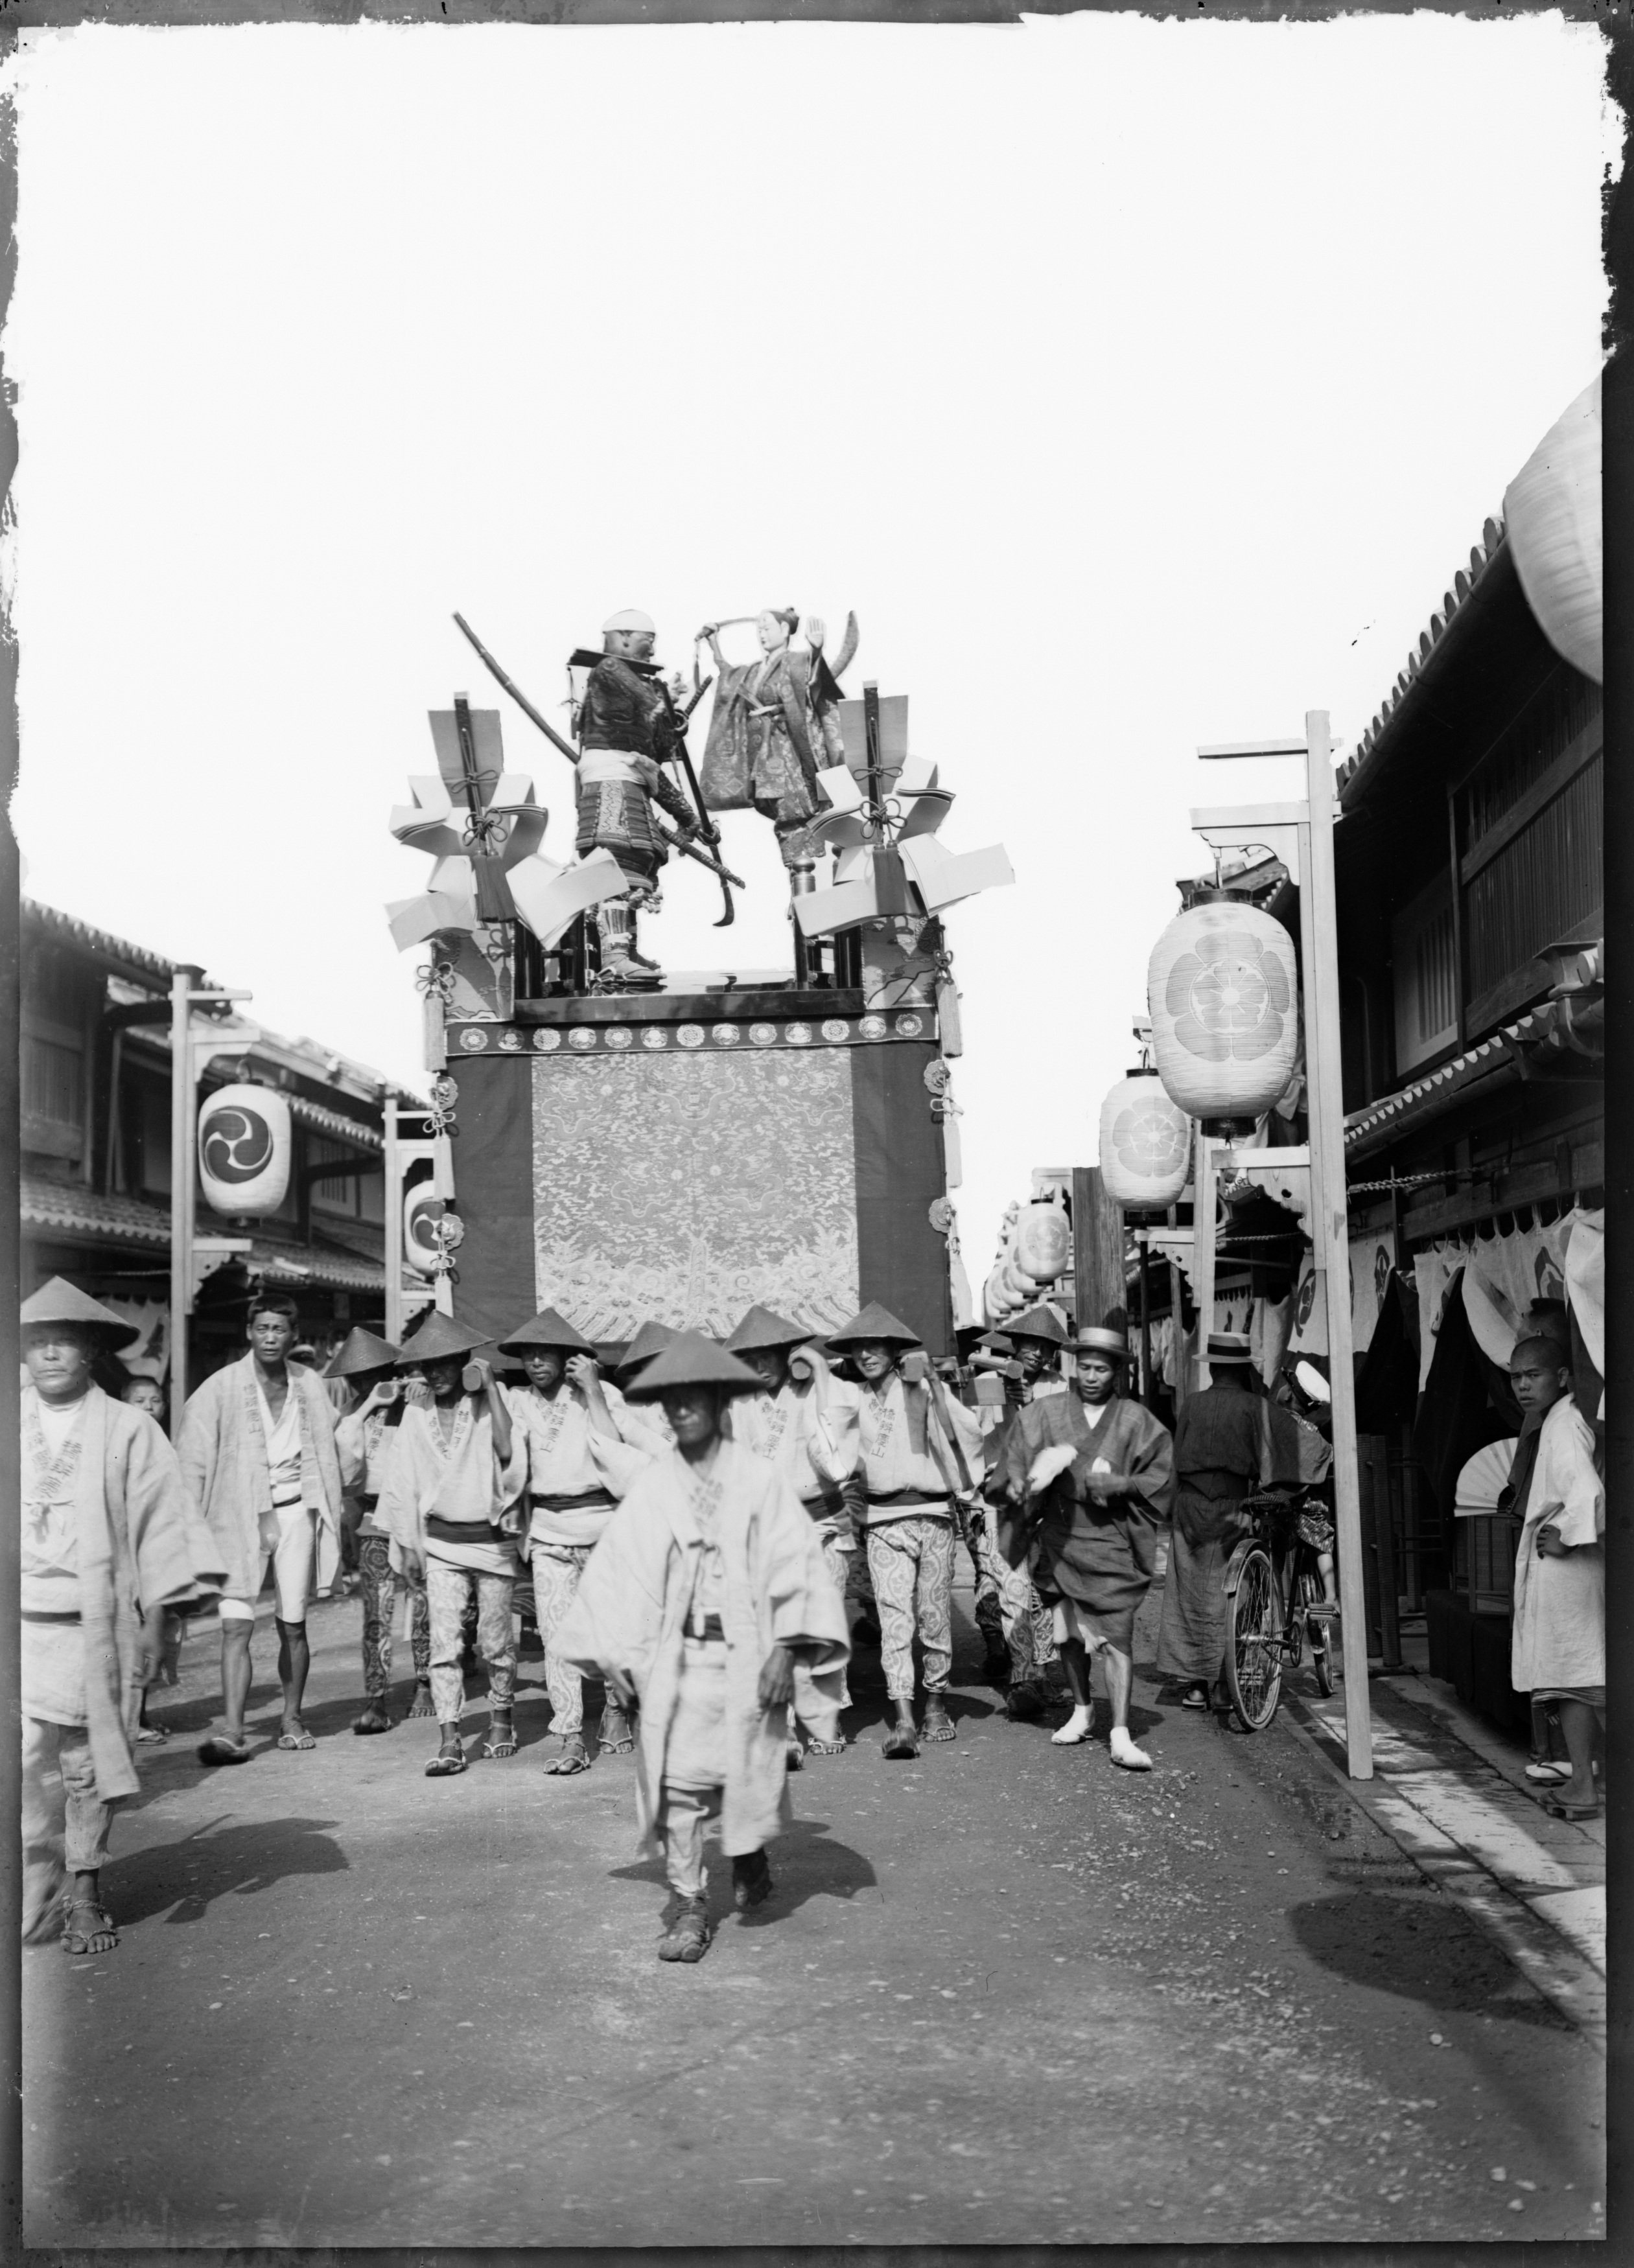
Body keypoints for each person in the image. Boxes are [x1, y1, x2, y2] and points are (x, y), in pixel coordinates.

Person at [554, 1333, 850, 1964]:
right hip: (675, 1656)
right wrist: (616, 1654)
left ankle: (748, 1848)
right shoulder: (655, 1483)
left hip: (749, 1656)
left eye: (694, 1398)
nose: (680, 1409)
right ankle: (689, 1903)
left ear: (720, 1403)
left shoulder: (759, 1481)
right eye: (671, 1400)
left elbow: (796, 1565)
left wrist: (786, 1650)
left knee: (743, 1776)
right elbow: (622, 1568)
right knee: (679, 1784)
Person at [21, 1280, 225, 1952]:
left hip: (92, 1623)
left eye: (65, 1341)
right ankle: (34, 1878)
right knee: (16, 1762)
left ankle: (84, 1890)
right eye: (38, 1341)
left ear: (91, 1351)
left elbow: (162, 1525)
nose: (50, 1353)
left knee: (84, 1764)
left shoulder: (127, 1429)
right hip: (15, 1626)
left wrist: (158, 1620)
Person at [992, 1325, 1174, 1768]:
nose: (1092, 1377)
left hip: (1112, 1538)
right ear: (1075, 1368)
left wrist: (1123, 1484)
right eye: (1086, 1368)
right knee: (1068, 1635)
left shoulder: (1135, 1419)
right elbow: (1015, 1455)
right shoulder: (1048, 1411)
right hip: (1060, 1535)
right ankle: (1082, 1710)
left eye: (1102, 1369)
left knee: (1116, 1636)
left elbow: (1162, 1473)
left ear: (1116, 1373)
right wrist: (1018, 1483)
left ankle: (1121, 1732)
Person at [180, 1292, 347, 1765]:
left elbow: (336, 1448)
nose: (270, 1337)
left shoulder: (309, 1384)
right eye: (262, 1329)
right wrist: (189, 1527)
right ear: (249, 1333)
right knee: (236, 1626)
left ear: (293, 1335)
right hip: (238, 1515)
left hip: (295, 1512)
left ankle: (292, 1718)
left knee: (292, 1624)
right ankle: (233, 1731)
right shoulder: (220, 1387)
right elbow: (192, 1458)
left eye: (279, 1329)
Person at [498, 1308, 660, 1777]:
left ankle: (615, 1708)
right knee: (556, 1638)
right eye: (528, 1355)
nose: (536, 1363)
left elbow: (615, 1450)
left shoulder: (600, 1393)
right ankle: (569, 1734)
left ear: (568, 1356)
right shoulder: (518, 1401)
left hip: (604, 1528)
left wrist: (592, 1389)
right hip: (549, 1529)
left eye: (545, 1354)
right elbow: (506, 1452)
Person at [827, 1301, 984, 1759]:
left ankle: (935, 1703)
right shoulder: (852, 1399)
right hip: (882, 1521)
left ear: (895, 1350)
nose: (866, 1355)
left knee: (934, 1616)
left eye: (876, 1347)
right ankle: (903, 1719)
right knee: (894, 1620)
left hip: (933, 1516)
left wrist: (932, 1383)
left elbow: (964, 1434)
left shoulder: (921, 1388)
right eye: (859, 1348)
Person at [377, 1312, 528, 1777]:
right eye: (428, 1365)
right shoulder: (416, 1413)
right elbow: (401, 1481)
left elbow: (509, 1451)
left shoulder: (490, 1402)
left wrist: (492, 1388)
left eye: (445, 1362)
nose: (436, 1373)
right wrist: (406, 1545)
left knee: (494, 1642)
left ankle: (501, 1718)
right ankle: (450, 1739)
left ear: (464, 1360)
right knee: (445, 1643)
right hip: (441, 1542)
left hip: (492, 1542)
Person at [725, 1304, 861, 1761]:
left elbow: (838, 1452)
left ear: (789, 1354)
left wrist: (819, 1369)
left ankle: (826, 1716)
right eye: (750, 1358)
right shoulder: (739, 1404)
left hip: (823, 1521)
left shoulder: (823, 1390)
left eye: (769, 1355)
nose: (759, 1365)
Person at [1154, 1331, 1307, 1712]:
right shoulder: (1256, 1406)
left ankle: (1196, 1687)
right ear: (1242, 1370)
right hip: (1232, 1504)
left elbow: (1176, 1458)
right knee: (1234, 1591)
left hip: (1190, 1506)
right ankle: (1225, 1684)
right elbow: (1293, 1447)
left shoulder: (1192, 1403)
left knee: (1189, 1592)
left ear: (1213, 1369)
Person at [1504, 1335, 1604, 1820]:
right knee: (1579, 1676)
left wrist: (1567, 1537)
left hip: (1570, 1568)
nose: (1523, 1386)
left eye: (1533, 1375)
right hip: (1573, 1565)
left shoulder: (1563, 1424)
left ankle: (1583, 1786)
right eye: (1515, 1377)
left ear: (1562, 1376)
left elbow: (1587, 1493)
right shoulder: (1560, 1418)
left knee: (1573, 1679)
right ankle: (1588, 1780)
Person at [572, 608, 699, 978]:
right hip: (610, 786)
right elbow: (641, 695)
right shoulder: (608, 670)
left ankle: (627, 951)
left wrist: (686, 815)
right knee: (616, 860)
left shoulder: (642, 688)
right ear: (625, 636)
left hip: (630, 785)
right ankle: (613, 959)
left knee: (639, 858)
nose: (652, 649)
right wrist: (661, 701)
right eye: (649, 639)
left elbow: (653, 760)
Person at [332, 1325, 434, 1733]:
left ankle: (425, 1682)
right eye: (355, 1378)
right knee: (376, 1610)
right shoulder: (351, 1413)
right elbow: (344, 1472)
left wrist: (417, 1389)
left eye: (372, 1375)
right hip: (373, 1516)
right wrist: (366, 1406)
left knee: (423, 1604)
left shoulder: (417, 1399)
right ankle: (376, 1697)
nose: (364, 1383)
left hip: (416, 1515)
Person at [696, 610, 850, 874]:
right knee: (782, 816)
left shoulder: (796, 661)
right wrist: (714, 644)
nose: (762, 634)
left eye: (767, 628)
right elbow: (729, 679)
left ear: (785, 629)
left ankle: (807, 879)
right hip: (762, 757)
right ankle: (800, 878)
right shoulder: (754, 670)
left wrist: (816, 651)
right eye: (759, 629)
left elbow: (813, 683)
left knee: (795, 815)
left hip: (789, 756)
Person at [971, 1307, 1066, 1718]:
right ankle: (1023, 1677)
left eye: (1046, 1347)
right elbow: (972, 1438)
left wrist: (1030, 1405)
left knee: (1042, 1592)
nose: (1038, 1353)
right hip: (999, 1499)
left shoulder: (1058, 1386)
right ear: (1015, 1344)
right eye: (1031, 1344)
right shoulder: (985, 1381)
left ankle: (1040, 1673)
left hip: (1045, 1500)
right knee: (1011, 1589)